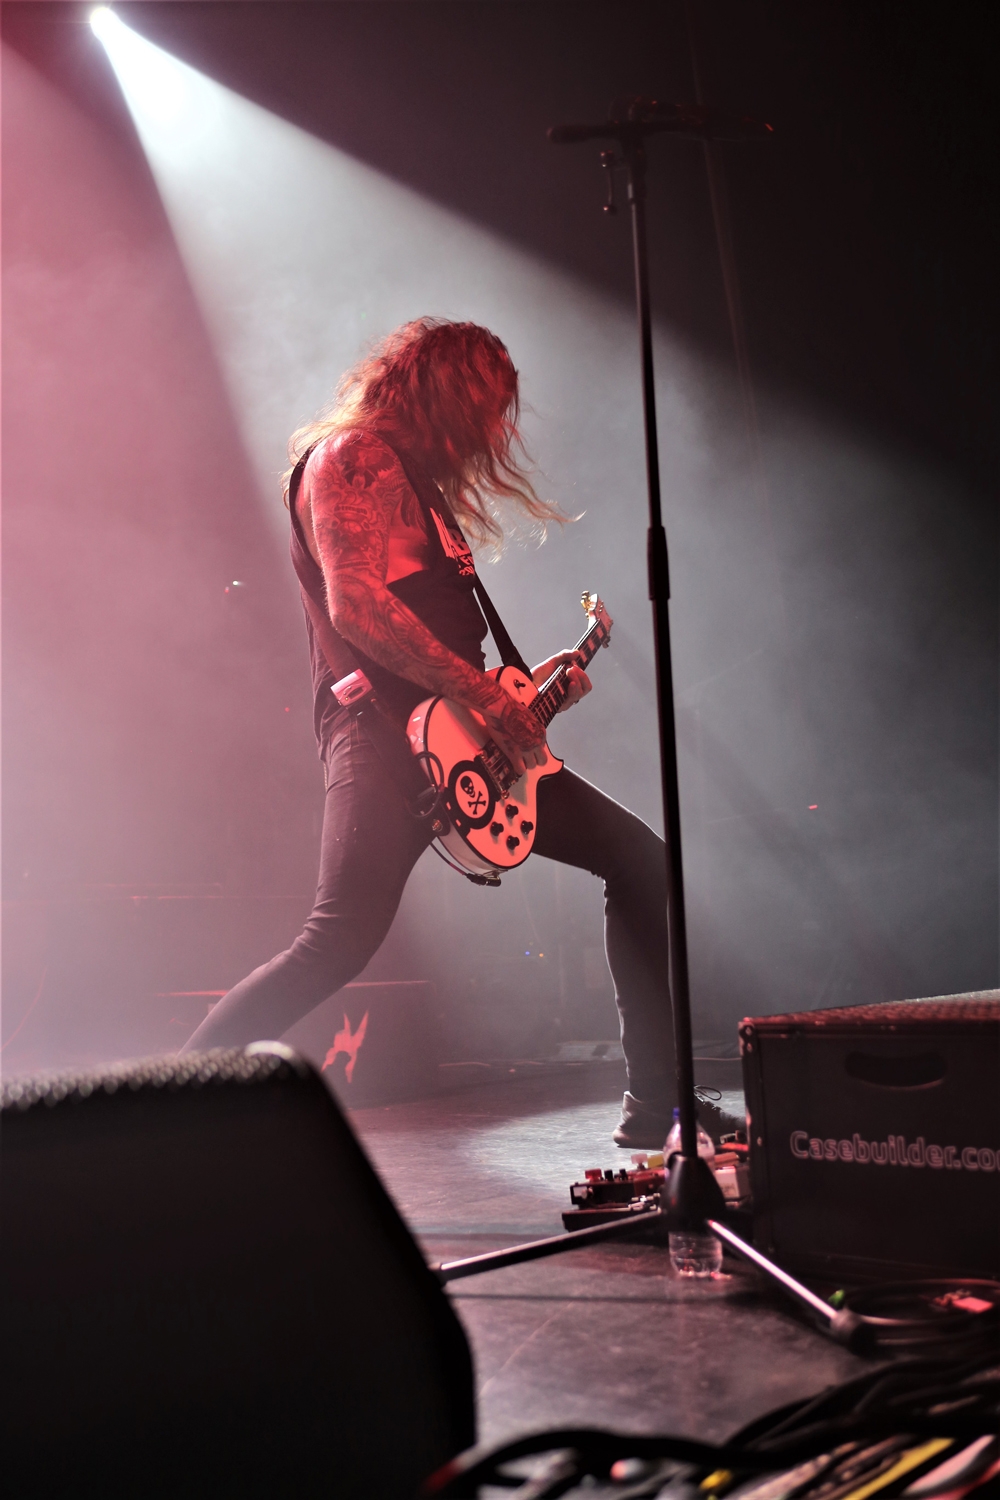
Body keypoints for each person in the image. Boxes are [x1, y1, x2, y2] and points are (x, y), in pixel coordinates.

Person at [180, 318, 677, 1148]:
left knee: (640, 861)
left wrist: (522, 696)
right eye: (491, 400)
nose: (498, 426)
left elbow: (434, 626)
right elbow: (356, 606)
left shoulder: (413, 479)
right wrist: (482, 692)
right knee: (336, 941)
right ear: (444, 388)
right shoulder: (355, 457)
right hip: (383, 734)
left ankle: (657, 1103)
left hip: (463, 736)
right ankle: (163, 1109)